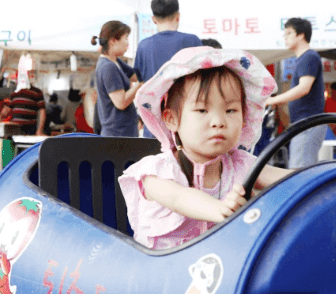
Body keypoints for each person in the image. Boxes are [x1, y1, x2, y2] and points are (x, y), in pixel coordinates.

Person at [118, 47, 289, 250]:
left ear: (244, 118)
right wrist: (220, 208)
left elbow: (290, 178)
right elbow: (178, 198)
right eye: (202, 110)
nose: (218, 121)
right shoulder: (156, 172)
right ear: (171, 119)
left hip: (222, 273)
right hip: (164, 276)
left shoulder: (241, 164)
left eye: (231, 110)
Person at [135, 0, 203, 137]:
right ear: (178, 16)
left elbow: (140, 79)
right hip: (186, 120)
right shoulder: (193, 42)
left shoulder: (144, 46)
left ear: (154, 20)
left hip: (154, 123)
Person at [265, 18, 326, 168]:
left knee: (299, 171)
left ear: (301, 34)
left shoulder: (309, 57)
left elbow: (304, 88)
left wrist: (273, 100)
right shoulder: (304, 58)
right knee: (300, 169)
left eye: (289, 33)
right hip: (305, 123)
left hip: (308, 123)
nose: (285, 37)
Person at [92, 21, 140, 137]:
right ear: (113, 41)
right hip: (117, 135)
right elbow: (121, 102)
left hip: (124, 131)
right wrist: (141, 84)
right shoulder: (108, 67)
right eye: (126, 38)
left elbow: (135, 76)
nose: (127, 43)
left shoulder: (115, 61)